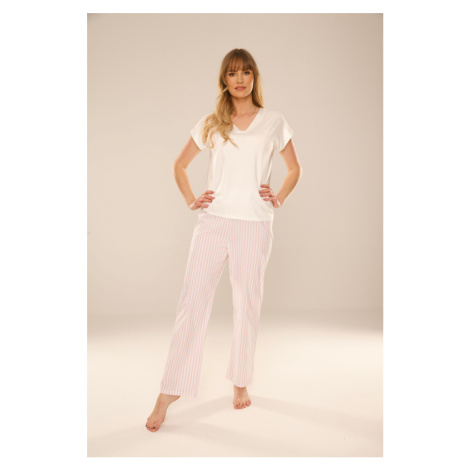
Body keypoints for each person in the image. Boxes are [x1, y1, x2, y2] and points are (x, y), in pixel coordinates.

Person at [146, 48, 302, 432]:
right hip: (213, 223)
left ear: (254, 77)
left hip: (254, 224)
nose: (240, 79)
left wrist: (279, 196)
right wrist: (191, 199)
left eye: (246, 72)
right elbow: (179, 165)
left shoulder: (274, 121)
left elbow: (294, 168)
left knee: (246, 303)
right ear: (224, 79)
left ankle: (241, 380)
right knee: (192, 302)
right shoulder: (211, 123)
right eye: (233, 73)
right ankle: (169, 391)